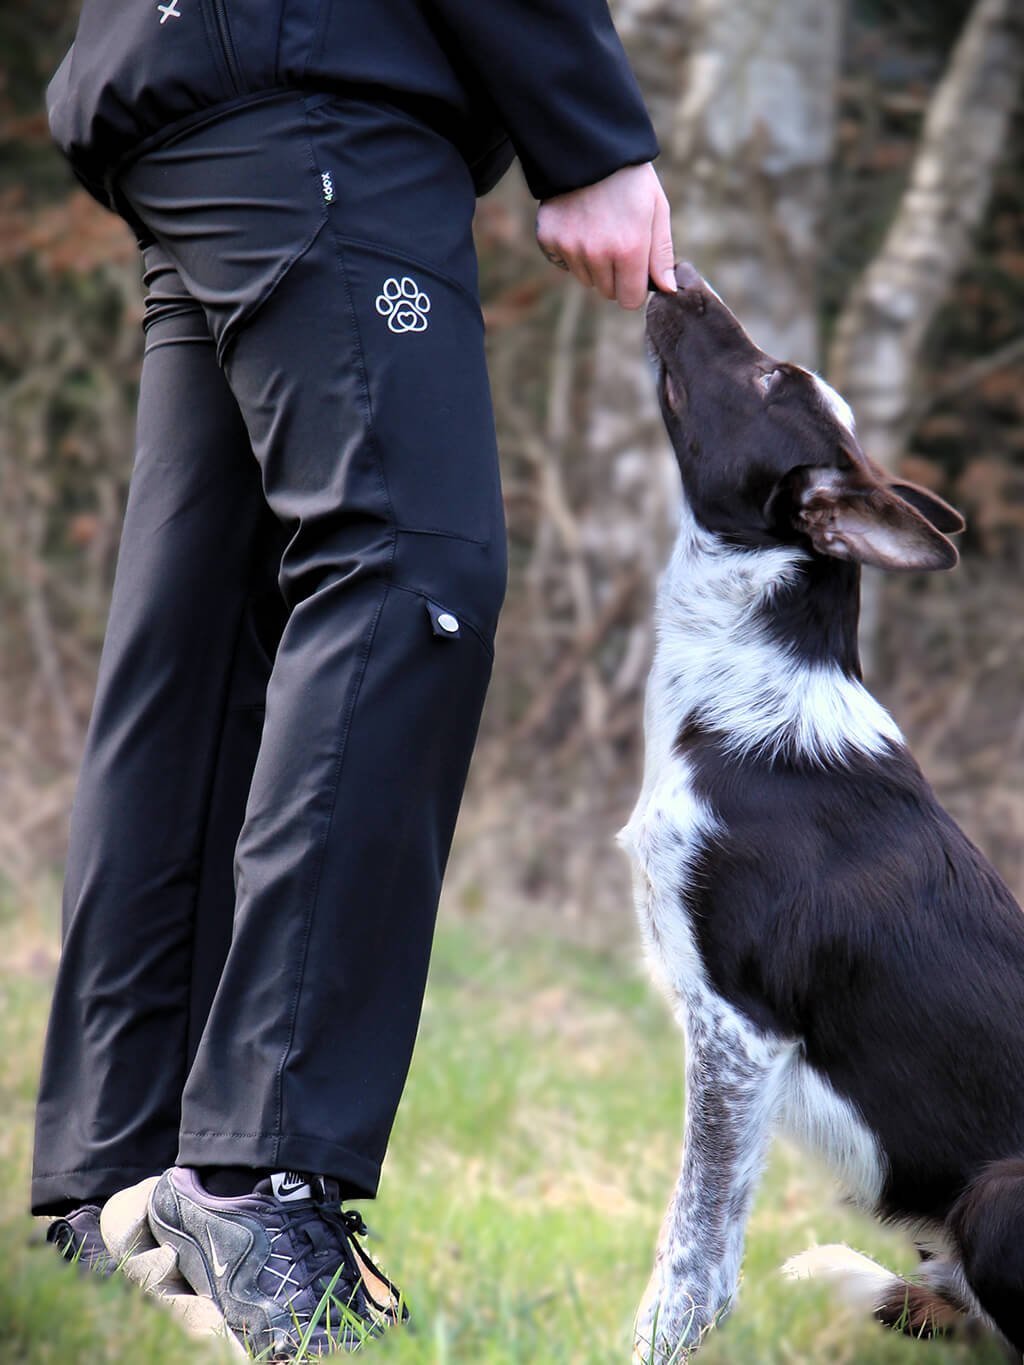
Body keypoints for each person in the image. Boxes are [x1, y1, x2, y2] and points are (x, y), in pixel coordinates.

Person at [32, 0, 676, 1353]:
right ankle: (255, 1173)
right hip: (318, 92)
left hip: (203, 89)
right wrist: (594, 135)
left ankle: (118, 1189)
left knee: (197, 642)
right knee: (407, 575)